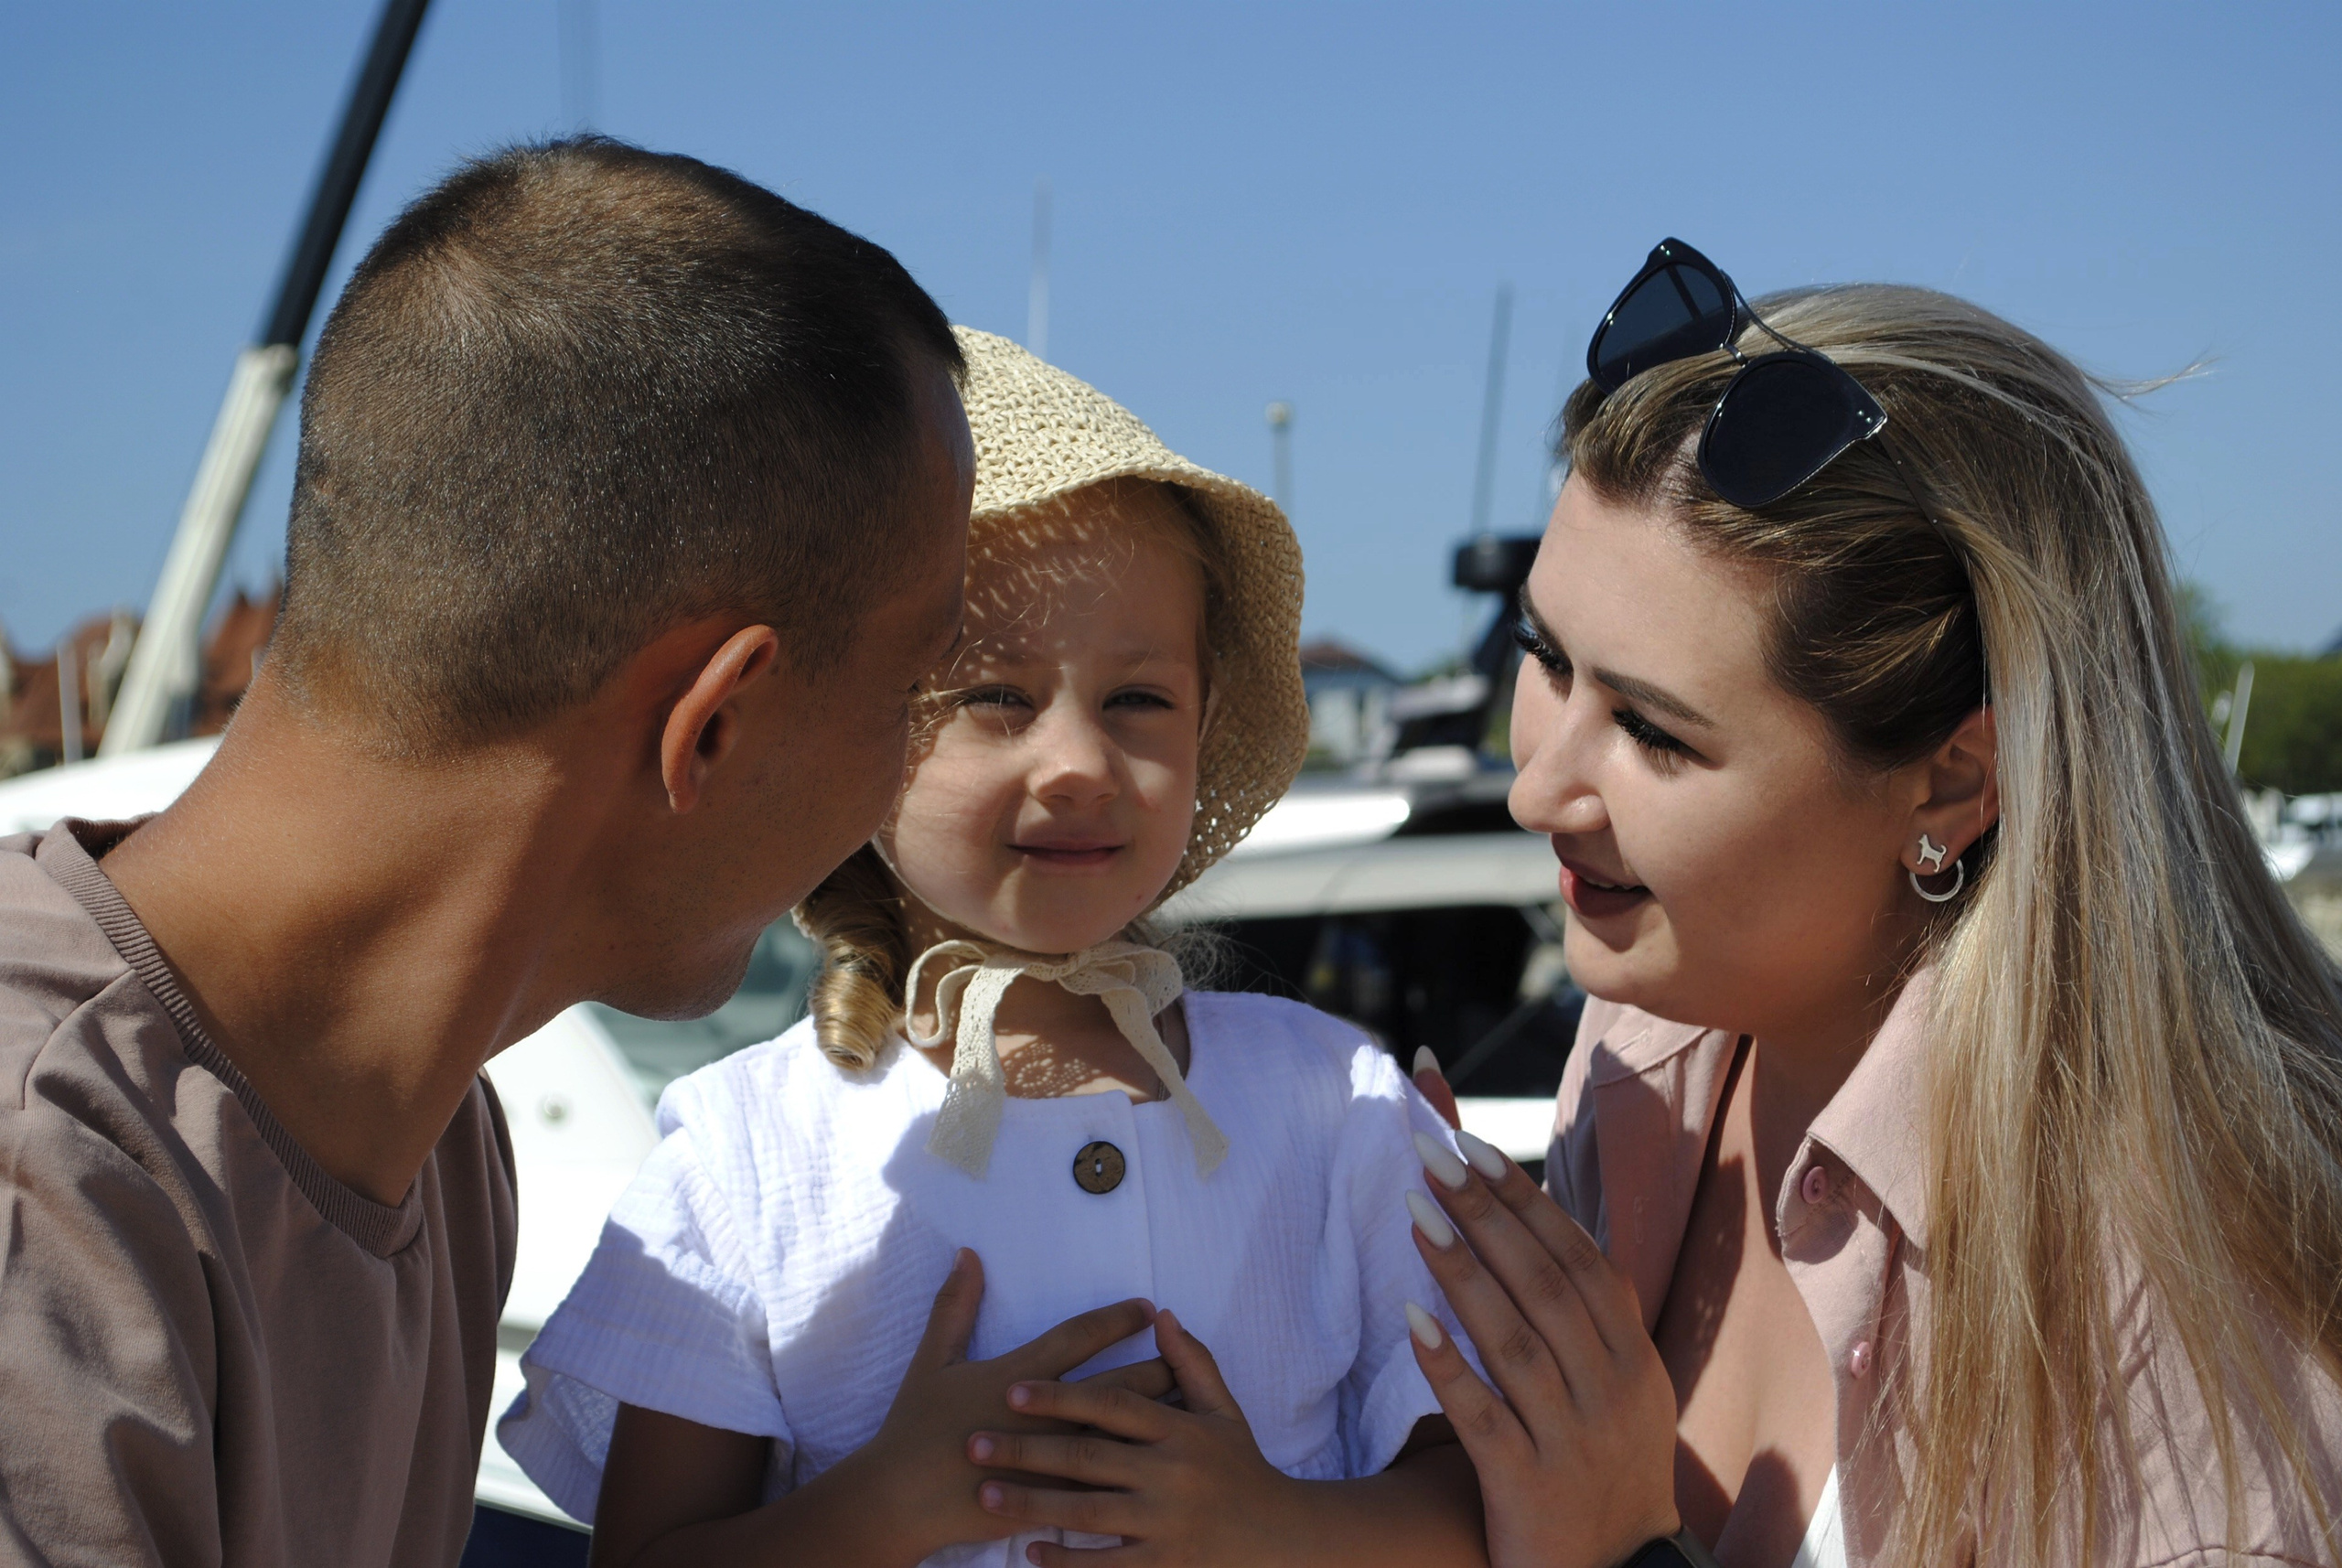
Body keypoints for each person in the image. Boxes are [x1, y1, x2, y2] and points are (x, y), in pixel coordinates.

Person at [0, 137, 981, 1567]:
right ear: (713, 726)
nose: (918, 772)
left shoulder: (440, 1141)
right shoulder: (43, 1203)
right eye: (920, 694)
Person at [1401, 241, 2342, 1567]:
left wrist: (1615, 1548)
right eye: (1544, 657)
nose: (1539, 786)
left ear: (1953, 781)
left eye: (1656, 735)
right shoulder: (1648, 1048)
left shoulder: (2183, 1321)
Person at [497, 329, 1488, 1568]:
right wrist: (891, 1504)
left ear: (1205, 724)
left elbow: (1489, 1510)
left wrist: (1269, 1529)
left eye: (1138, 700)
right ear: (854, 732)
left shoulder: (1337, 1101)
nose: (1075, 760)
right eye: (993, 697)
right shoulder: (750, 1149)